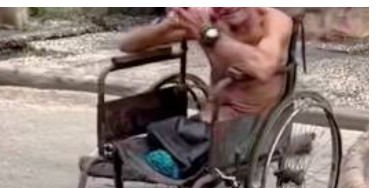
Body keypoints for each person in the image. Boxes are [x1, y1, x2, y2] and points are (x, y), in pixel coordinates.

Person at [120, 8, 293, 122]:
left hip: (253, 120)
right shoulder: (212, 22)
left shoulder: (274, 20)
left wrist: (208, 34)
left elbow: (262, 67)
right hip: (213, 113)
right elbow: (127, 45)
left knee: (171, 139)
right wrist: (165, 26)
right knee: (153, 131)